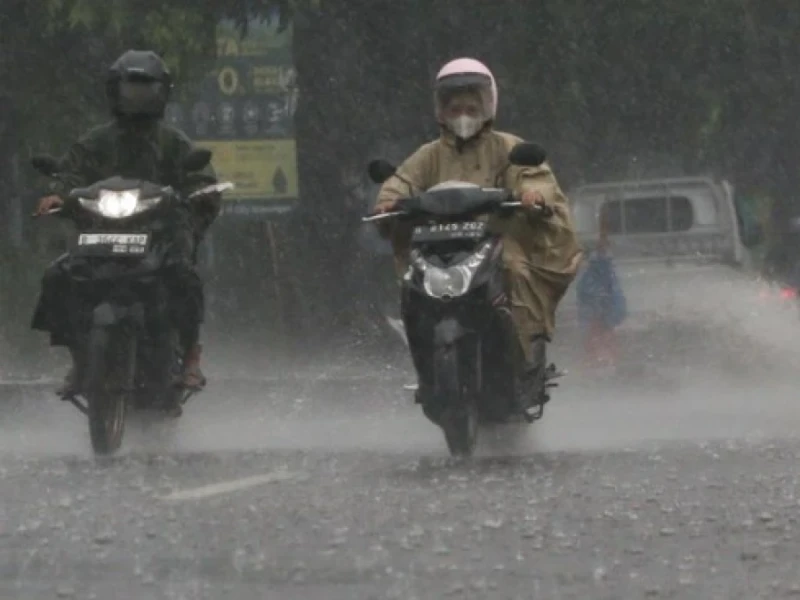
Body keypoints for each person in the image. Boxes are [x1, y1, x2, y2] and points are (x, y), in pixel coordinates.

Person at [373, 57, 583, 410]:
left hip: (497, 244)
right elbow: (400, 182)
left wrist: (533, 197)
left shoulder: (509, 147)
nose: (463, 114)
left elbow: (536, 178)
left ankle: (524, 358)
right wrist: (388, 203)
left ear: (488, 105)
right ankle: (425, 366)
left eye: (471, 106)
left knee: (515, 269)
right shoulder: (428, 156)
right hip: (439, 248)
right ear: (441, 110)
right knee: (411, 286)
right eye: (455, 107)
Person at [31, 49, 221, 397]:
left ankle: (191, 356)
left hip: (160, 235)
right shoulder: (96, 140)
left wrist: (198, 198)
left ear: (162, 93)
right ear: (113, 92)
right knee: (59, 275)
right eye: (130, 91)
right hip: (101, 232)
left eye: (146, 91)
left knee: (183, 273)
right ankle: (78, 358)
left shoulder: (173, 141)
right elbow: (70, 171)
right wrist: (57, 194)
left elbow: (201, 179)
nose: (138, 100)